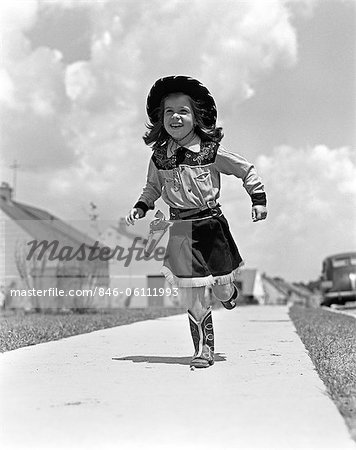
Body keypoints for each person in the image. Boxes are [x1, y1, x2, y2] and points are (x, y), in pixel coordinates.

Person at [126, 75, 267, 369]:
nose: (175, 117)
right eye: (169, 112)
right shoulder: (158, 158)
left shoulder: (210, 151)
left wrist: (258, 199)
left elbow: (246, 170)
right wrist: (142, 206)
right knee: (192, 295)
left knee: (221, 288)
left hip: (211, 226)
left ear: (196, 116)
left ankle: (228, 293)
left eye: (183, 111)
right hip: (180, 231)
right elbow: (152, 188)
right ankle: (204, 350)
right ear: (160, 119)